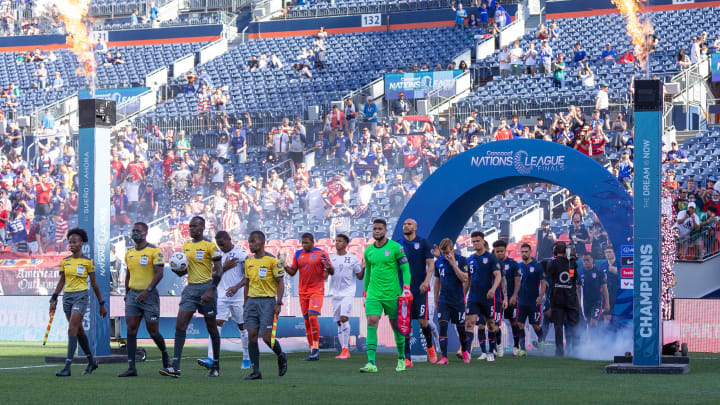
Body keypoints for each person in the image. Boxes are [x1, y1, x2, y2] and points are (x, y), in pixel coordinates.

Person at [160, 216, 223, 378]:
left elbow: (219, 270)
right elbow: (187, 270)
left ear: (202, 227)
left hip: (206, 288)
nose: (191, 229)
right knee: (180, 325)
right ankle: (175, 367)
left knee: (211, 327)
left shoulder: (210, 246)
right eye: (190, 226)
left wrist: (211, 290)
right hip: (190, 289)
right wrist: (179, 271)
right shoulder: (186, 245)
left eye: (195, 226)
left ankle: (215, 365)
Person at [49, 228, 107, 376]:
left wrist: (101, 303)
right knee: (79, 331)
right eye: (70, 242)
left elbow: (94, 284)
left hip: (81, 296)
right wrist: (54, 297)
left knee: (71, 329)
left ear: (81, 243)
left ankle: (67, 368)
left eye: (75, 242)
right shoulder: (65, 261)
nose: (72, 244)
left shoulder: (87, 262)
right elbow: (62, 281)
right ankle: (92, 362)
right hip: (67, 298)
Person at [360, 219, 411, 373]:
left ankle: (402, 358)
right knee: (371, 321)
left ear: (386, 230)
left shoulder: (396, 248)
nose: (377, 231)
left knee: (396, 327)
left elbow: (406, 269)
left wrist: (406, 288)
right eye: (375, 229)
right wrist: (365, 292)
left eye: (380, 229)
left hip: (392, 294)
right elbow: (368, 272)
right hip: (374, 294)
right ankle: (371, 363)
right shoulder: (368, 250)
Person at [119, 222, 169, 377]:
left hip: (149, 296)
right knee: (131, 329)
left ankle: (165, 355)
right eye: (133, 230)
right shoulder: (129, 253)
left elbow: (159, 273)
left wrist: (147, 291)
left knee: (153, 331)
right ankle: (131, 367)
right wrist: (127, 293)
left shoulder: (154, 251)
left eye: (138, 231)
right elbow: (128, 274)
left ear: (145, 232)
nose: (135, 233)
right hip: (133, 295)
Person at [197, 231, 250, 370]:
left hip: (238, 297)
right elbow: (210, 273)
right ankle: (210, 357)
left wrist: (237, 286)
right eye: (218, 244)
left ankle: (246, 358)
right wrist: (224, 267)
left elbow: (249, 276)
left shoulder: (241, 254)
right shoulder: (217, 255)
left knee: (242, 327)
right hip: (221, 296)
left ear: (229, 239)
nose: (221, 246)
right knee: (216, 325)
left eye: (223, 243)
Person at [242, 230, 287, 380]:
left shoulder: (272, 261)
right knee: (252, 336)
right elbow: (247, 284)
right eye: (249, 241)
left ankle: (281, 356)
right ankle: (256, 372)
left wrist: (279, 302)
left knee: (268, 338)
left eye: (253, 241)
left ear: (262, 242)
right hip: (252, 302)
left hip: (267, 302)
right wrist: (245, 303)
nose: (250, 244)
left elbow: (280, 282)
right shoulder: (249, 262)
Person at [283, 232, 333, 361]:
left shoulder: (321, 253)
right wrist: (284, 265)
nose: (304, 245)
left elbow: (330, 271)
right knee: (306, 321)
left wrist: (327, 265)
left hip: (317, 290)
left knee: (312, 316)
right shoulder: (298, 254)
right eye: (302, 242)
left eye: (306, 242)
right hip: (302, 292)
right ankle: (312, 351)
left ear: (312, 242)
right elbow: (293, 273)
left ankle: (316, 348)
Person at [397, 218, 437, 365]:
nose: (406, 226)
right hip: (404, 290)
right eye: (404, 224)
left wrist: (426, 282)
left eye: (409, 224)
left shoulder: (423, 243)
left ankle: (430, 347)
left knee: (423, 322)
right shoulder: (398, 244)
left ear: (415, 227)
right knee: (405, 324)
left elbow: (431, 265)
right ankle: (407, 358)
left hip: (420, 290)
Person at [466, 231, 502, 362]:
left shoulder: (491, 258)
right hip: (473, 298)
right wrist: (463, 294)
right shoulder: (470, 259)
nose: (475, 243)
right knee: (470, 324)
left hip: (488, 298)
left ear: (483, 241)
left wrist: (493, 289)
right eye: (473, 241)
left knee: (491, 325)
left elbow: (498, 275)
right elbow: (468, 280)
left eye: (477, 241)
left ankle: (491, 352)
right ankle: (468, 353)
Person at [433, 238, 469, 364]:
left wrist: (453, 264)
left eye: (447, 252)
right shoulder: (439, 262)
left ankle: (464, 350)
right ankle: (444, 357)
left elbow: (464, 278)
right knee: (442, 326)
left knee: (461, 329)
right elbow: (437, 282)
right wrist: (436, 301)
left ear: (452, 249)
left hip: (458, 301)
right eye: (444, 253)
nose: (446, 255)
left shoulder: (462, 260)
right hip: (444, 301)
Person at [329, 234, 364, 359]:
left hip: (347, 293)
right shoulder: (330, 258)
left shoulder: (352, 258)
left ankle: (345, 350)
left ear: (346, 244)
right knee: (339, 322)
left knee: (344, 318)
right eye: (336, 241)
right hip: (334, 294)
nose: (337, 243)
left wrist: (363, 267)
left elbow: (359, 276)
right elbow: (327, 273)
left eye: (340, 241)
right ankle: (343, 350)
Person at [545, 241, 581, 357]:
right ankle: (576, 350)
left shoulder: (552, 263)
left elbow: (549, 277)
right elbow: (573, 278)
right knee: (574, 325)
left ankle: (559, 350)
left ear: (555, 252)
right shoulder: (572, 263)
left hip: (557, 298)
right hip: (570, 298)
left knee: (558, 326)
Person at [493, 239, 522, 357]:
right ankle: (498, 347)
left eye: (502, 251)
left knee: (513, 321)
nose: (500, 253)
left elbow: (518, 282)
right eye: (497, 251)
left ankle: (516, 346)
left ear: (506, 251)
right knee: (495, 324)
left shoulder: (513, 264)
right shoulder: (492, 264)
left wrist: (514, 296)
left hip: (510, 298)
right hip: (496, 298)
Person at [516, 243, 547, 353]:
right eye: (522, 251)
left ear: (530, 252)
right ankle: (523, 350)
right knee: (520, 325)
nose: (524, 253)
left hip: (534, 302)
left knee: (535, 325)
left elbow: (543, 283)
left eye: (526, 251)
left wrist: (540, 296)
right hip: (521, 301)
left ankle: (541, 339)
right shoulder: (518, 266)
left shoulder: (537, 266)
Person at [579, 253, 609, 339]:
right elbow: (576, 288)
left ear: (592, 260)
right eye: (584, 260)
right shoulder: (580, 273)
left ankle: (594, 343)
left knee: (593, 322)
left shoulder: (599, 272)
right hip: (585, 303)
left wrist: (607, 303)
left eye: (588, 260)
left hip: (597, 302)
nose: (586, 262)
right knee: (588, 323)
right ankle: (590, 342)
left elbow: (604, 288)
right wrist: (577, 300)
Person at [600, 245, 618, 323]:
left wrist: (617, 272)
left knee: (617, 317)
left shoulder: (619, 264)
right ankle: (606, 334)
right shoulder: (603, 266)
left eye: (610, 252)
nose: (608, 254)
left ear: (614, 253)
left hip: (617, 293)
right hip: (606, 294)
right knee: (606, 317)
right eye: (606, 252)